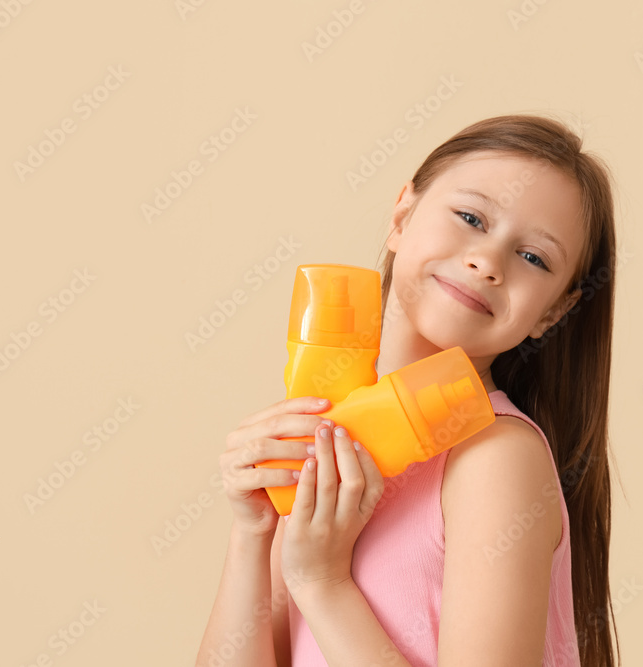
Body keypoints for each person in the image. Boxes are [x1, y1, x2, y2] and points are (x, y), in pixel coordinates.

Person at [196, 114, 621, 666]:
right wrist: (253, 531)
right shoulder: (337, 429)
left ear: (555, 311)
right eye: (471, 217)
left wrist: (322, 580)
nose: (487, 262)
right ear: (402, 214)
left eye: (533, 257)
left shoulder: (496, 457)